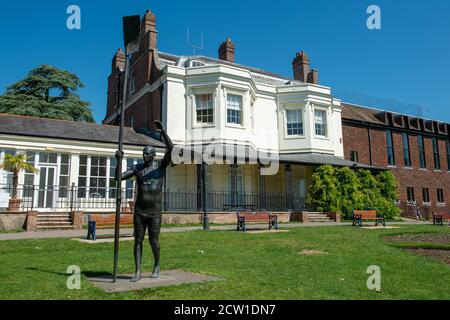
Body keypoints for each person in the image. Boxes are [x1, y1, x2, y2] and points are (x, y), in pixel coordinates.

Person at [116, 120, 174, 282]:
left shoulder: (160, 166)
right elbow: (118, 178)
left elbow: (171, 149)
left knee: (154, 241)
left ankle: (156, 265)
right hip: (140, 211)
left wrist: (163, 133)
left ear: (153, 155)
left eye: (147, 153)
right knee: (138, 241)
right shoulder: (137, 168)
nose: (145, 155)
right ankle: (138, 271)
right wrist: (118, 161)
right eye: (143, 153)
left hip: (155, 212)